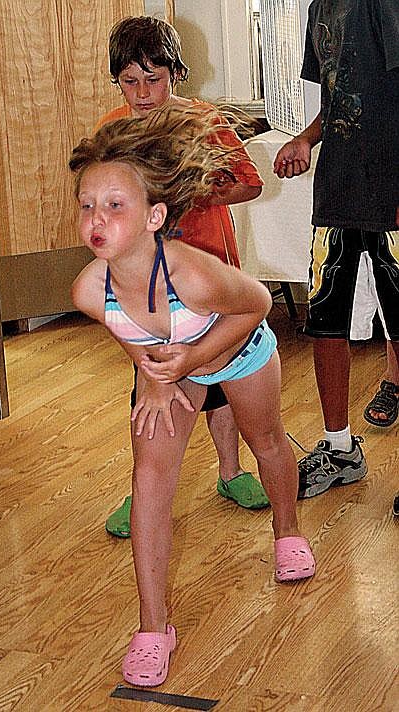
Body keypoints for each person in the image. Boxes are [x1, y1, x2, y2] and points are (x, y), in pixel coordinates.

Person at [70, 105, 316, 687]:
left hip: (238, 350)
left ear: (156, 215)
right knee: (149, 486)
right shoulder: (88, 289)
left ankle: (287, 531)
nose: (95, 219)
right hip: (172, 365)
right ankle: (154, 626)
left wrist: (194, 359)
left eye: (114, 205)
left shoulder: (193, 274)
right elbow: (126, 329)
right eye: (86, 205)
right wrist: (154, 375)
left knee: (267, 444)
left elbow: (256, 303)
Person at [97, 16, 269, 538]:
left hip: (211, 275)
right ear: (117, 81)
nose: (143, 93)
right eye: (131, 81)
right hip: (144, 284)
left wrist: (197, 196)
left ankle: (230, 470)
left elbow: (251, 185)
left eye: (155, 78)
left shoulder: (204, 120)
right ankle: (144, 486)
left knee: (218, 377)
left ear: (177, 72)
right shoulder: (113, 131)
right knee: (149, 380)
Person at [273, 0, 399, 499]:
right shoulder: (319, 8)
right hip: (338, 193)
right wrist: (305, 139)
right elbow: (340, 99)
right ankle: (339, 447)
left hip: (390, 195)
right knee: (325, 321)